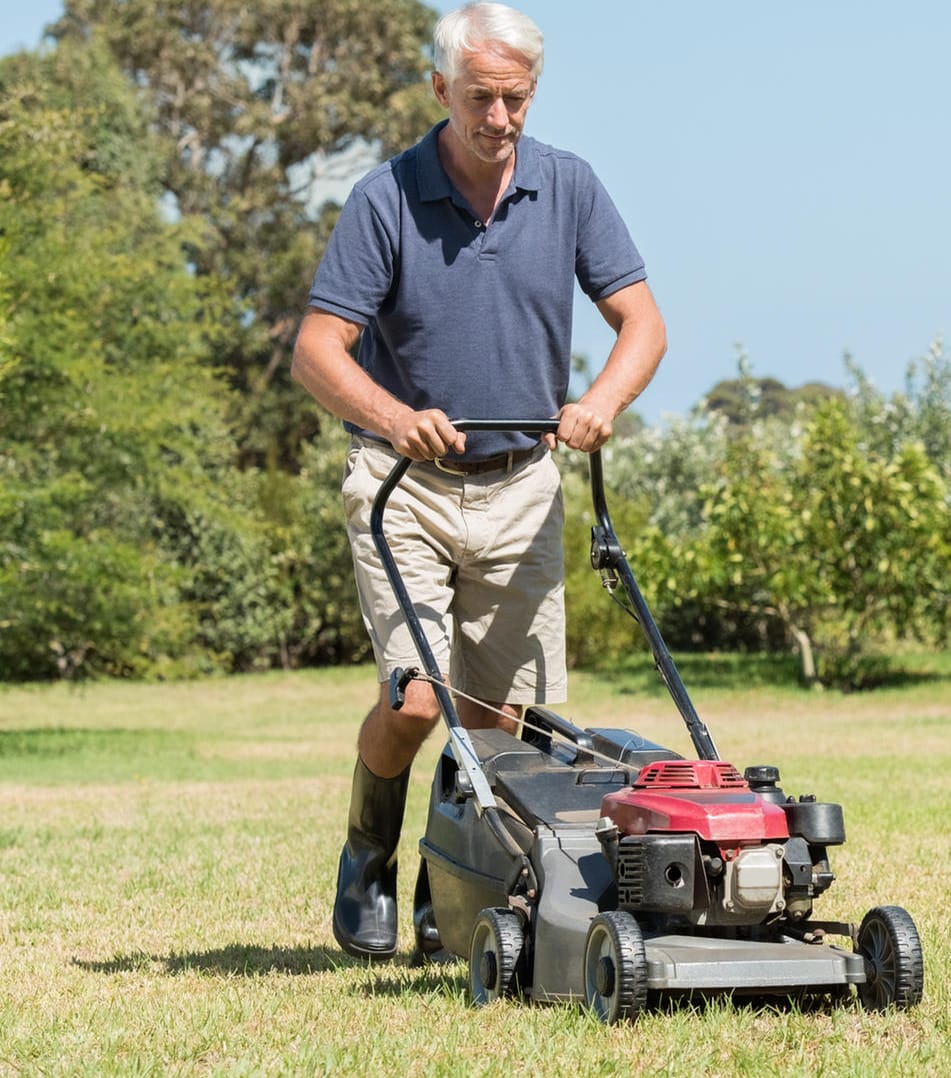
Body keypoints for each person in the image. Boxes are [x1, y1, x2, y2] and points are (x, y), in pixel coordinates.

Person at [291, 1, 666, 961]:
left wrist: (601, 404)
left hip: (522, 483)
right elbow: (317, 352)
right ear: (439, 89)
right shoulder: (386, 197)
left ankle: (443, 889)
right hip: (402, 483)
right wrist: (392, 417)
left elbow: (643, 325)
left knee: (501, 728)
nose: (498, 120)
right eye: (479, 99)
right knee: (420, 700)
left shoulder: (569, 187)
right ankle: (364, 858)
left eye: (516, 100)